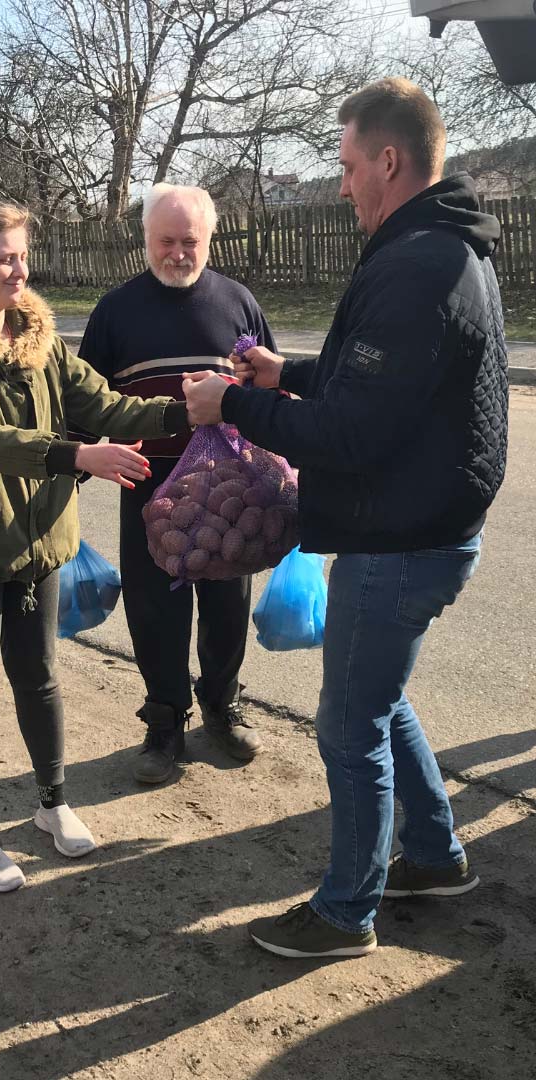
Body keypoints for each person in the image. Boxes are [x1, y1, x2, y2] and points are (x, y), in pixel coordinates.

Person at [183, 79, 509, 958]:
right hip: (423, 526)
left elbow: (353, 432)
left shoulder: (417, 265)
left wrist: (229, 407)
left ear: (389, 162)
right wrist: (279, 374)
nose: (340, 184)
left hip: (400, 538)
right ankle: (436, 858)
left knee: (349, 723)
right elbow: (377, 382)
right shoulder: (440, 245)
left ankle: (343, 913)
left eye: (348, 165)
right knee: (380, 697)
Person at [0, 202, 188, 892]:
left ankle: (53, 804)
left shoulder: (43, 341)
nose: (19, 270)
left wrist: (191, 410)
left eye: (23, 256)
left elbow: (110, 407)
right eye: (4, 257)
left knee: (40, 678)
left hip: (34, 549)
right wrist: (77, 457)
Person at [76, 184, 276, 781]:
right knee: (154, 609)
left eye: (189, 241)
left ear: (208, 239)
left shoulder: (238, 303)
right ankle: (164, 722)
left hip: (229, 491)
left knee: (225, 602)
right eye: (166, 241)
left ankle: (222, 703)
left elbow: (269, 391)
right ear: (146, 239)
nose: (177, 253)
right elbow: (83, 399)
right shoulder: (116, 311)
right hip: (148, 483)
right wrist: (73, 463)